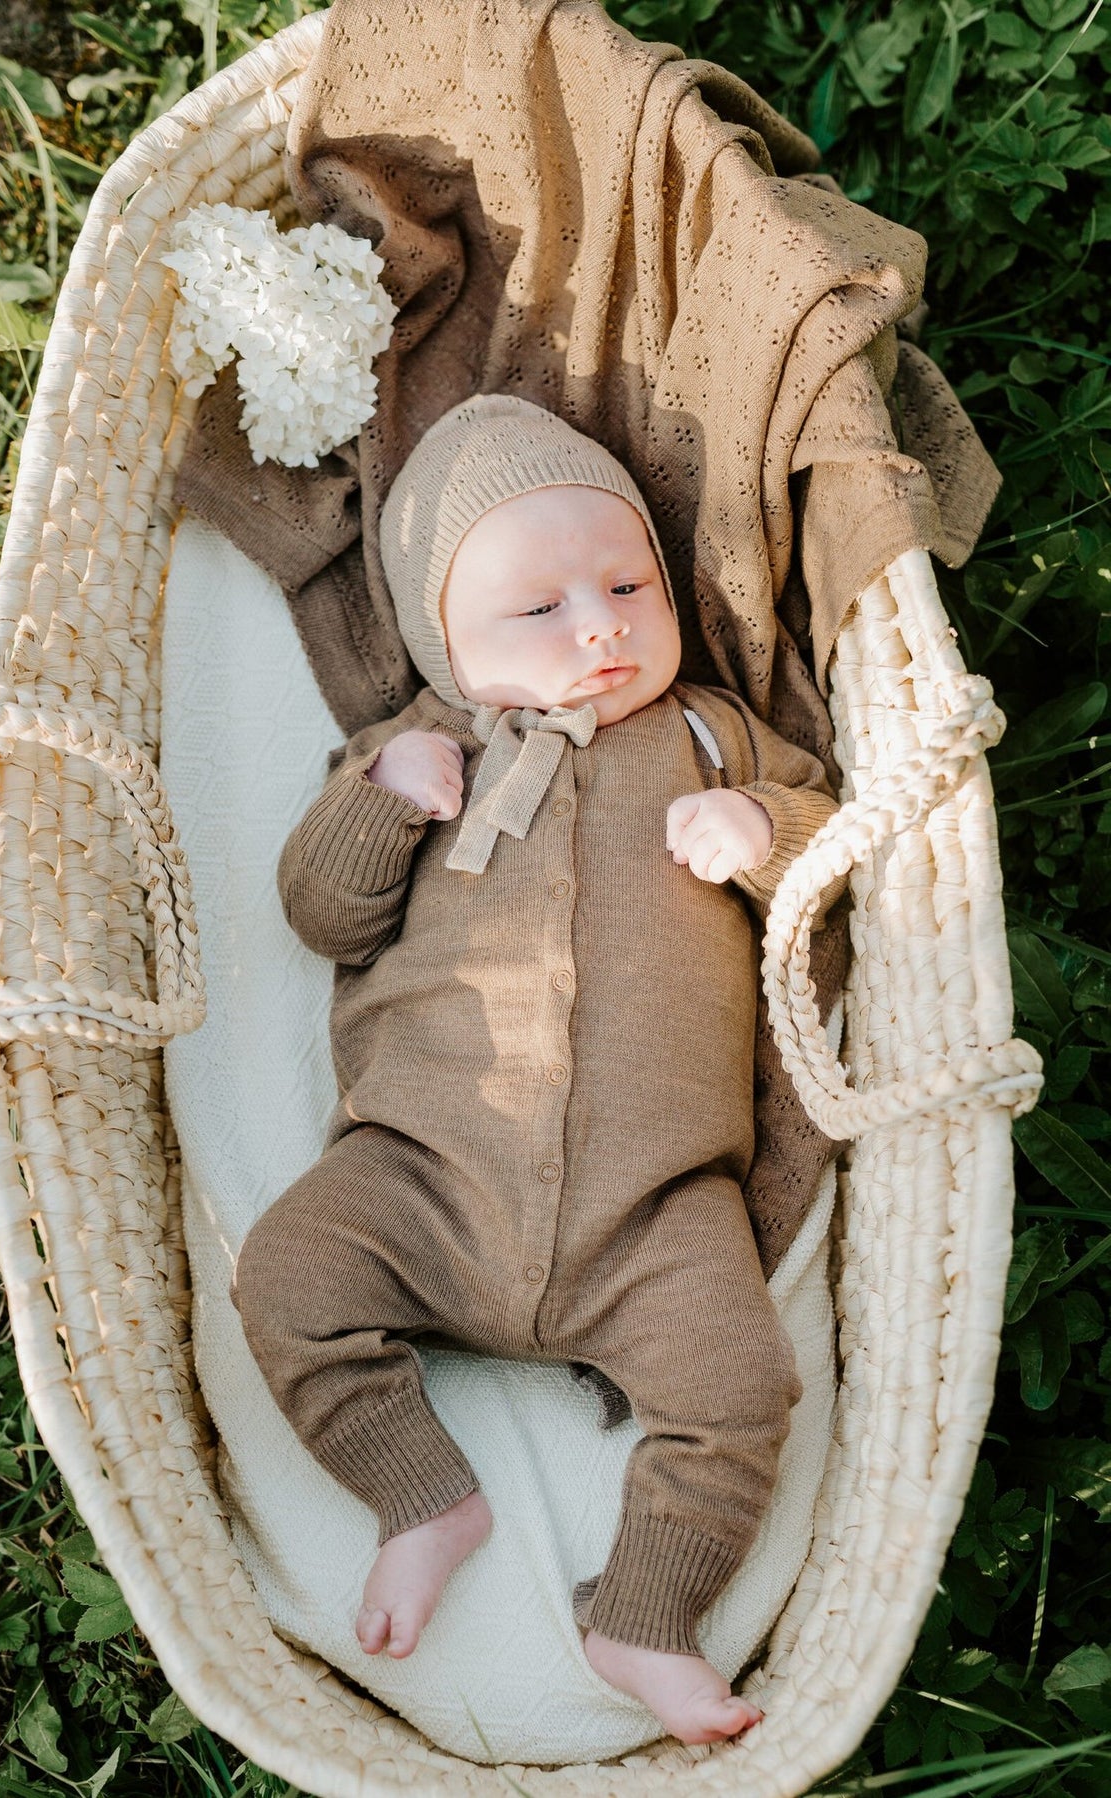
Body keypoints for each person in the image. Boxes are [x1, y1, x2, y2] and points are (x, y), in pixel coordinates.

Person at [231, 394, 846, 1746]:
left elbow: (832, 865)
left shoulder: (709, 734)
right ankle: (421, 1492)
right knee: (285, 1277)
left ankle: (644, 1608)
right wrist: (384, 794)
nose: (601, 627)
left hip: (655, 1207)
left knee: (743, 1384)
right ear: (442, 640)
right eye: (539, 610)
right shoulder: (419, 745)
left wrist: (759, 828)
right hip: (421, 1177)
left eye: (627, 585)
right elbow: (320, 913)